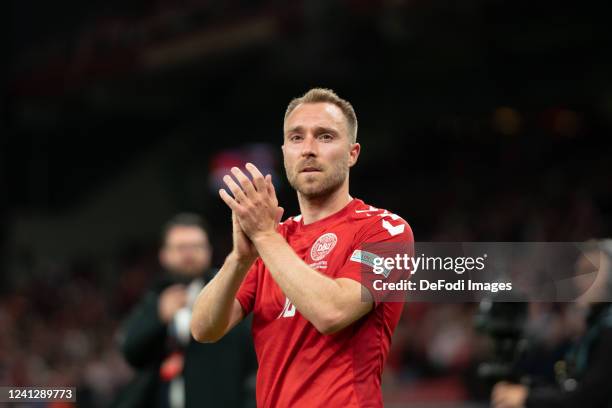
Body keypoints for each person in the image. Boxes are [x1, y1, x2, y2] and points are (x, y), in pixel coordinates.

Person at [191, 88, 414, 407]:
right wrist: (240, 258)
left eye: (324, 137)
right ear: (284, 153)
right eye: (296, 138)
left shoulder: (387, 230)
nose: (308, 149)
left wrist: (265, 238)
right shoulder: (273, 241)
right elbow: (203, 328)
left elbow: (332, 312)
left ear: (353, 153)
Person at [116, 213, 256, 408]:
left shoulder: (230, 292)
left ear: (209, 250)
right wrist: (158, 317)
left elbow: (254, 362)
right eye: (181, 248)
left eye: (196, 246)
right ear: (163, 254)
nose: (188, 254)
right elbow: (131, 353)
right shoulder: (156, 295)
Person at [491, 240, 612, 408]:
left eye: (590, 272)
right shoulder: (596, 326)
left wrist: (527, 398)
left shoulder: (608, 330)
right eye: (579, 273)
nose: (580, 282)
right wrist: (528, 390)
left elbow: (589, 397)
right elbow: (571, 385)